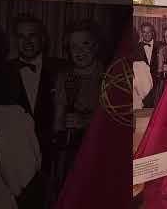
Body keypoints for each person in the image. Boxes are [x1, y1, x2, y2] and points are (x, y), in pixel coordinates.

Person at [6, 16, 65, 209]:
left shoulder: (61, 68)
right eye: (21, 36)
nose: (27, 41)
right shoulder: (2, 72)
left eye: (32, 35)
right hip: (13, 166)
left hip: (54, 162)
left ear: (43, 39)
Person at [50, 21, 104, 203]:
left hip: (98, 150)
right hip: (71, 149)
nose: (79, 51)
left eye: (85, 44)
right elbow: (58, 118)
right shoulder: (64, 76)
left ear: (96, 46)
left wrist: (87, 120)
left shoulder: (108, 74)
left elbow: (115, 118)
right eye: (74, 46)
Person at [135, 22, 161, 107]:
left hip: (158, 84)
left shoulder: (161, 46)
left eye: (149, 32)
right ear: (141, 33)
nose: (146, 34)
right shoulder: (136, 47)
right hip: (143, 86)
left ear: (153, 32)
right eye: (144, 32)